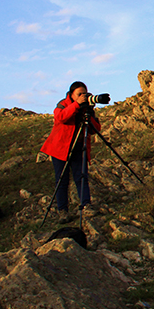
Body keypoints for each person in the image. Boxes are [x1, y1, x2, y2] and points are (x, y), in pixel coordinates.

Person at [40, 81, 101, 223]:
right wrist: (76, 105)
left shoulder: (87, 108)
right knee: (62, 180)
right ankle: (63, 211)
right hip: (60, 149)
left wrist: (89, 111)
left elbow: (95, 129)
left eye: (84, 94)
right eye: (79, 94)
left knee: (82, 177)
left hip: (79, 147)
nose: (82, 96)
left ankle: (86, 205)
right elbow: (60, 117)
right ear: (71, 94)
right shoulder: (63, 104)